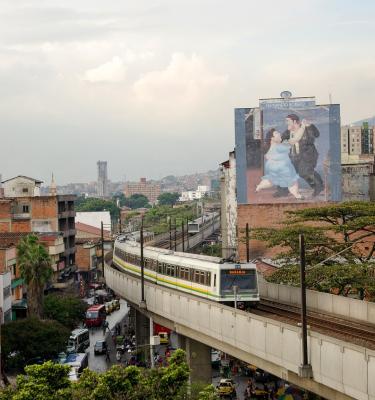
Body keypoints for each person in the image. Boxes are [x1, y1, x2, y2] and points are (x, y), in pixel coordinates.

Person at [274, 114, 323, 197]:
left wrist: (310, 126)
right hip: (294, 156)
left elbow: (317, 134)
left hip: (307, 156)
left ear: (294, 121)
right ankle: (283, 191)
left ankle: (318, 187)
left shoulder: (306, 129)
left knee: (304, 172)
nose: (287, 123)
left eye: (288, 121)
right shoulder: (289, 131)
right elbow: (280, 139)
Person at [256, 129, 303, 199]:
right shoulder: (281, 146)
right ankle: (296, 195)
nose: (279, 134)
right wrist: (303, 127)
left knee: (271, 180)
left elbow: (267, 156)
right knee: (292, 180)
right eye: (277, 133)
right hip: (282, 166)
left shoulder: (269, 147)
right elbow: (297, 138)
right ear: (272, 138)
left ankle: (259, 186)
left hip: (272, 166)